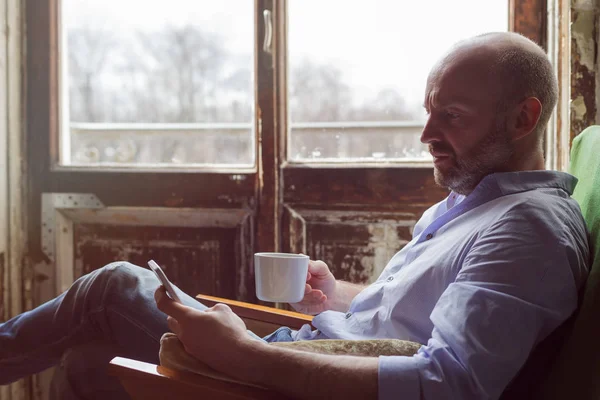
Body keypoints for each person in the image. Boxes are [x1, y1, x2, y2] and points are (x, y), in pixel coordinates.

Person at [1, 31, 590, 400]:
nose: (426, 135)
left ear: (522, 118)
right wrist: (339, 296)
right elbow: (419, 313)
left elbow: (451, 382)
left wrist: (246, 355)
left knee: (112, 290)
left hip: (288, 372)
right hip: (305, 345)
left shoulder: (526, 230)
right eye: (428, 112)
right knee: (87, 359)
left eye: (451, 117)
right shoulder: (474, 203)